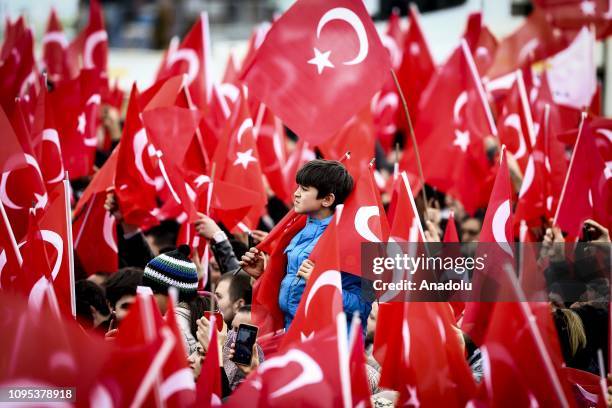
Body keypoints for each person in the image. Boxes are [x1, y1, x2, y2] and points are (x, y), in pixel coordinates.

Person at [240, 159, 373, 333]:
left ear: (327, 199)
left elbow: (362, 308)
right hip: (292, 333)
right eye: (298, 187)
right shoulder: (298, 231)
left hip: (327, 343)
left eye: (304, 189)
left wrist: (322, 283)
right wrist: (262, 275)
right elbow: (294, 290)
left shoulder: (351, 239)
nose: (296, 194)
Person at [142, 245, 207, 355]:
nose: (147, 296)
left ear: (172, 295)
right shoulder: (195, 314)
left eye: (153, 291)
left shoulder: (172, 330)